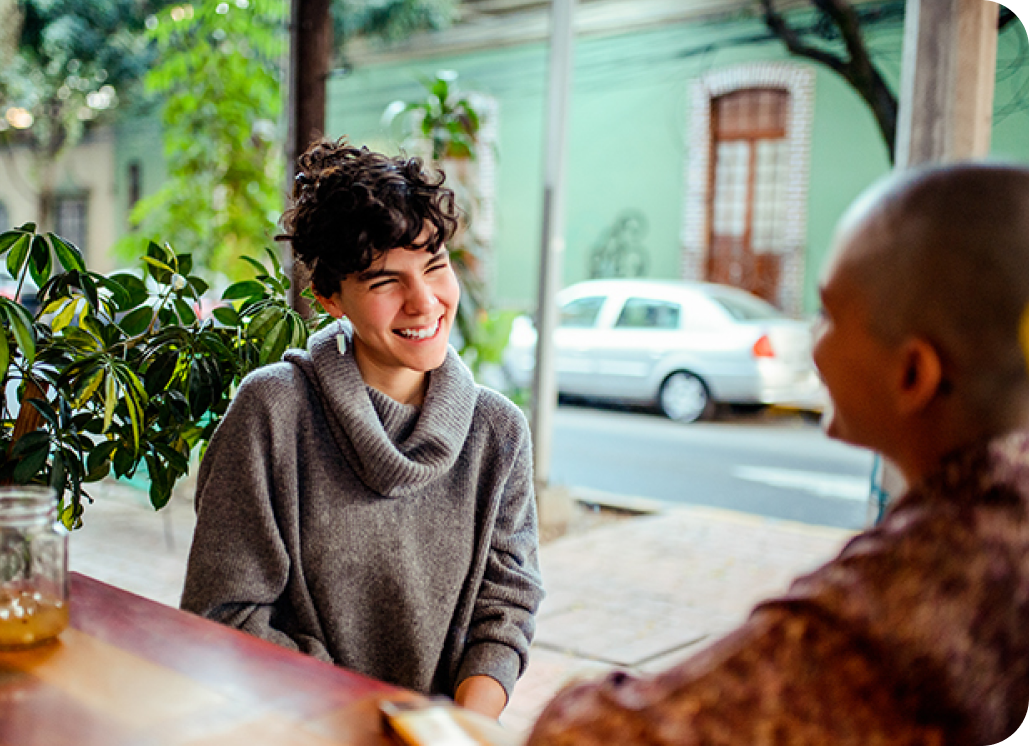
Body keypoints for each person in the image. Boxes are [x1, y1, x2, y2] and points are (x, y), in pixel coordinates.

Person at [526, 161, 1029, 745]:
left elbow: (599, 737)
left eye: (829, 315)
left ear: (912, 374)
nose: (813, 348)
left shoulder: (935, 582)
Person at [180, 138, 544, 718]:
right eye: (385, 282)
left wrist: (462, 727)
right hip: (295, 726)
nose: (424, 303)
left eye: (435, 266)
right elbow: (223, 613)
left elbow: (506, 605)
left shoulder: (497, 432)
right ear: (330, 297)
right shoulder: (273, 412)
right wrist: (368, 723)